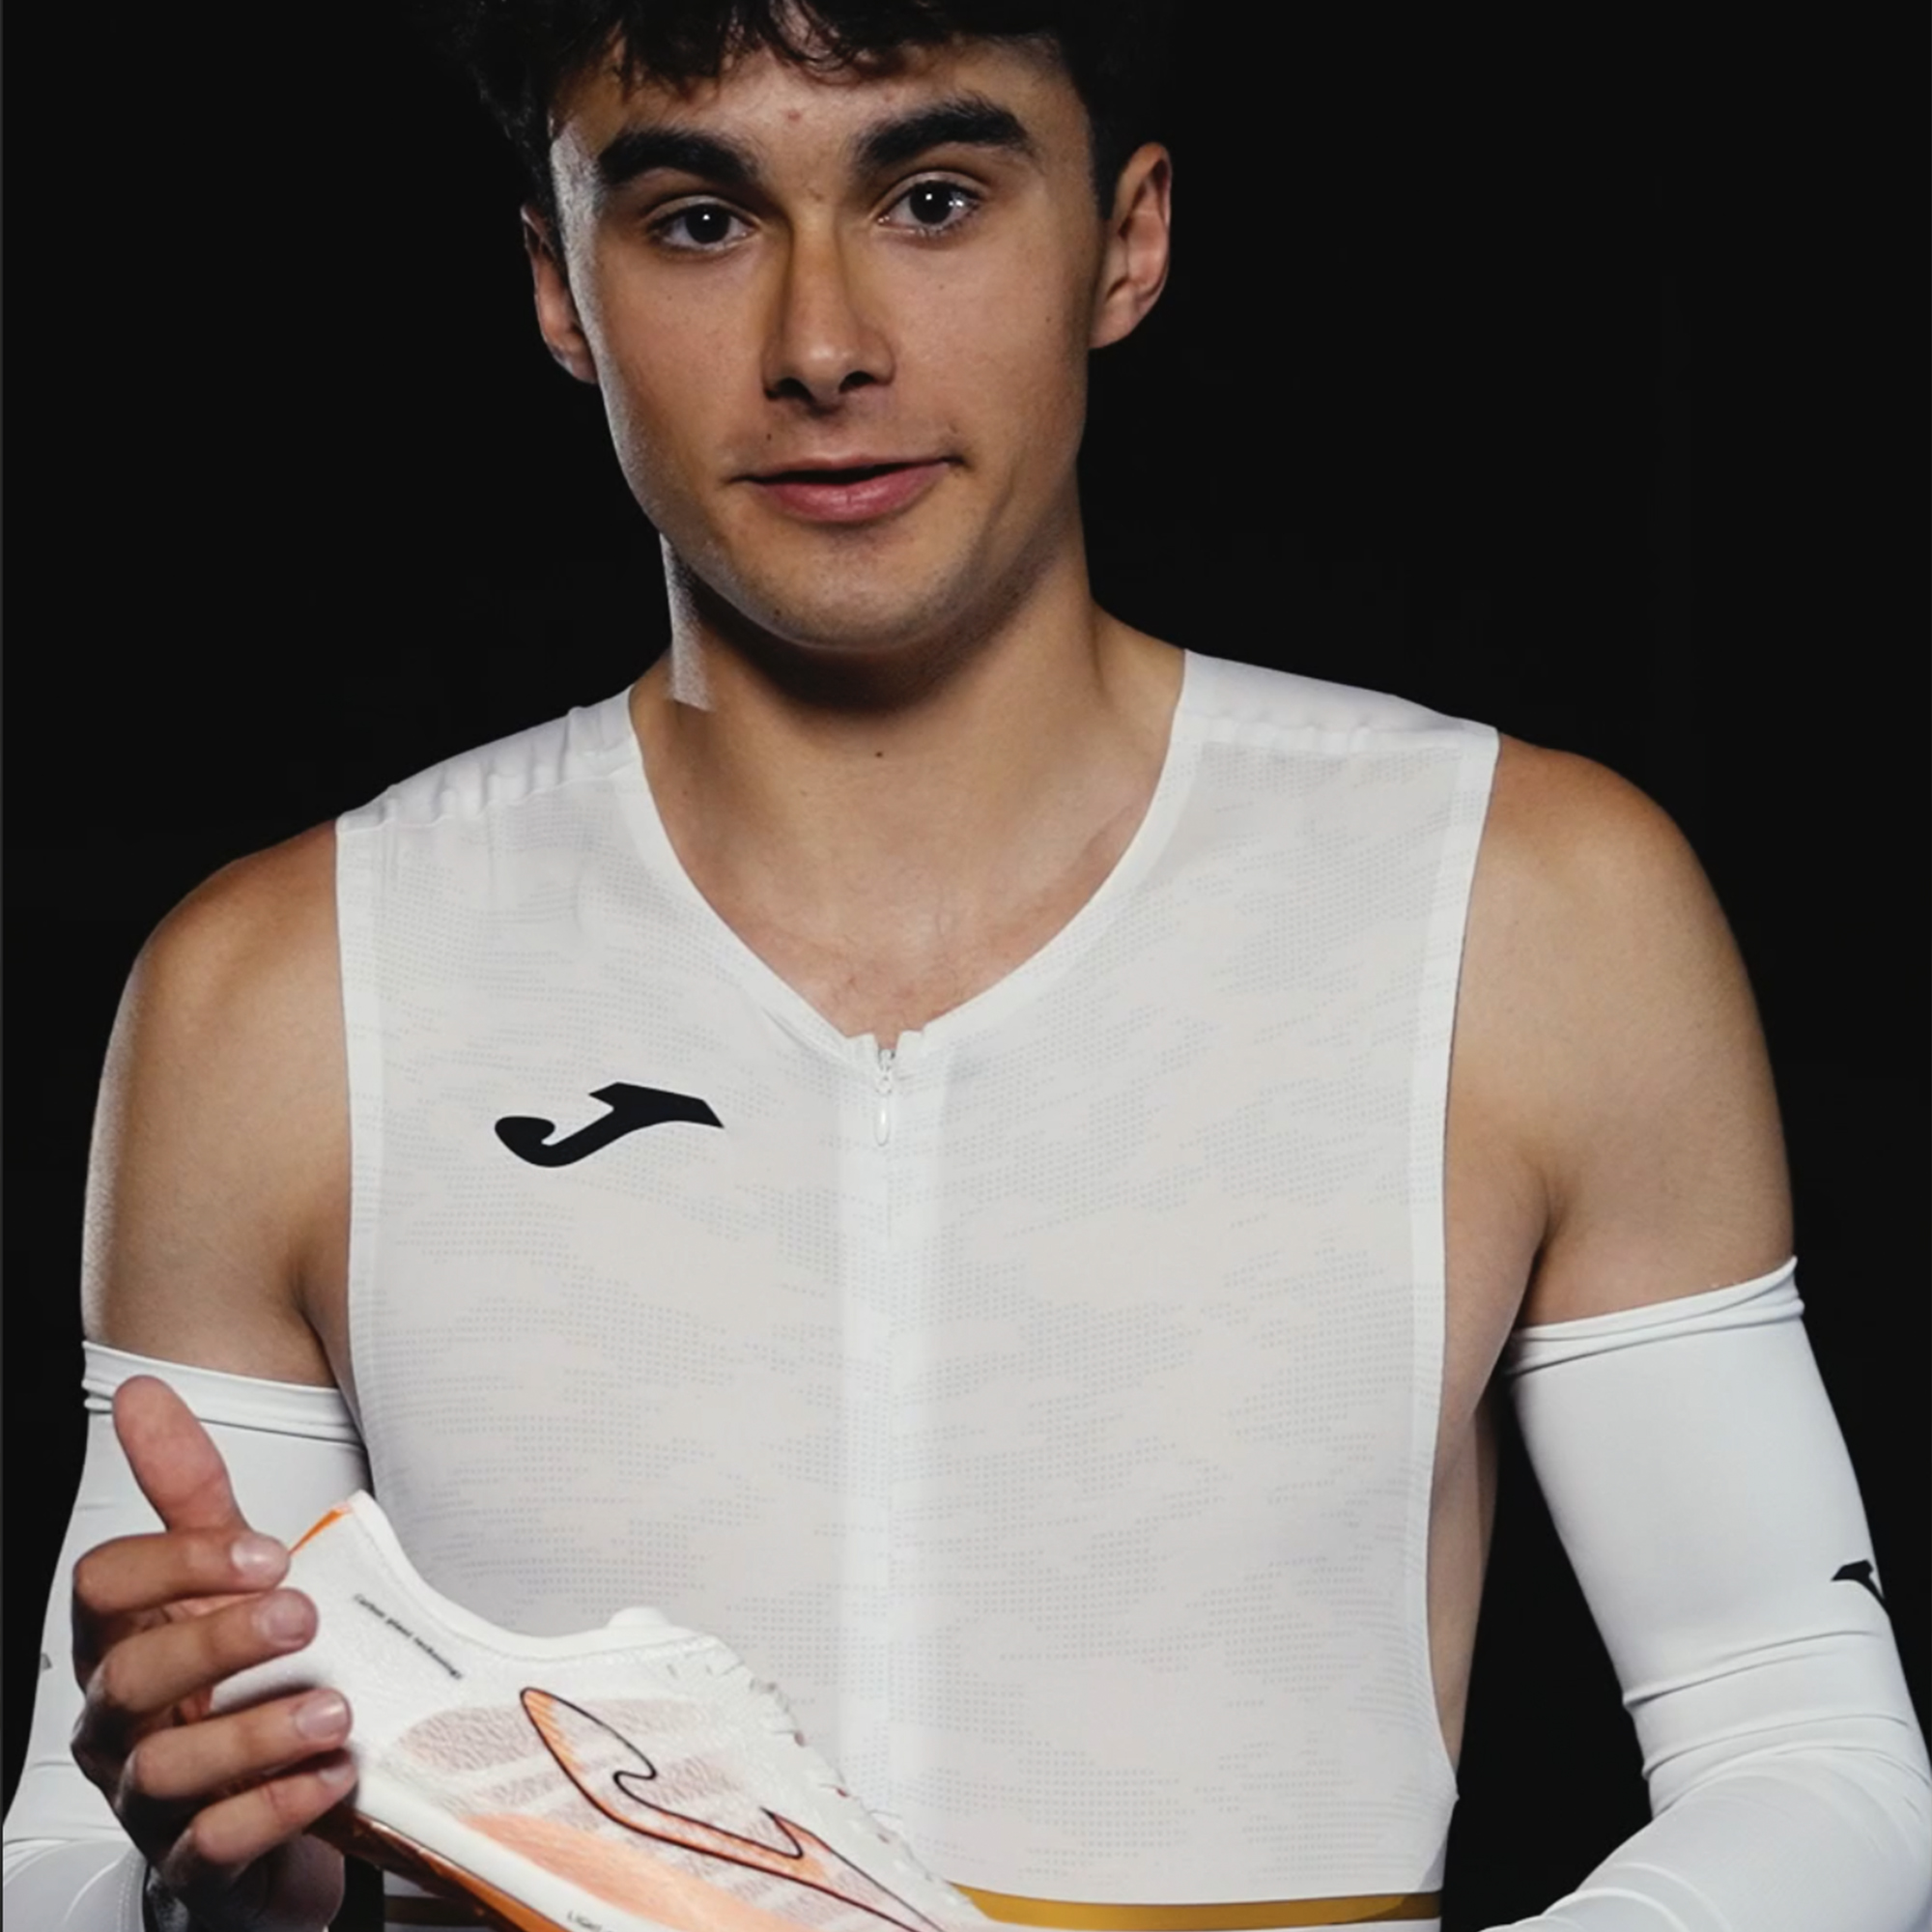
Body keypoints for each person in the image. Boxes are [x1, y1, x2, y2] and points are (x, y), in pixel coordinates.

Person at [5, 3, 1927, 1928]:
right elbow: (77, 1855)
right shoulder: (287, 987)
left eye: (931, 198)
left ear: (1127, 239)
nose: (823, 344)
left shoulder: (1526, 907)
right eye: (699, 221)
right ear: (560, 286)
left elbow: (1809, 1752)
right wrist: (223, 1891)